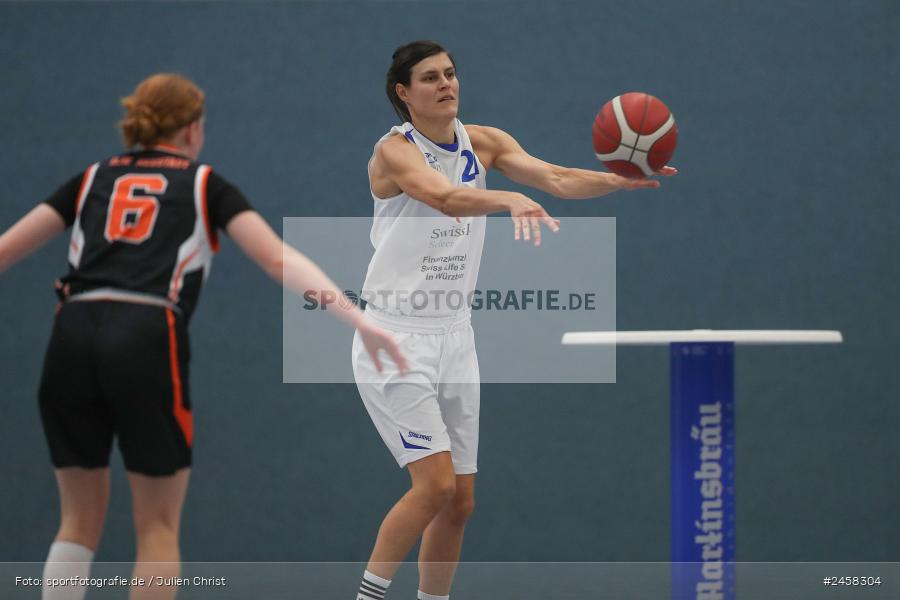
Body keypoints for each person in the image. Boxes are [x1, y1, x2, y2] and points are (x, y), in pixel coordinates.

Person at [0, 73, 406, 600]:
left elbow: (6, 249)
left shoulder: (93, 177)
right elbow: (276, 257)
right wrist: (359, 320)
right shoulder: (201, 182)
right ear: (192, 129)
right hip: (145, 332)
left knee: (76, 521)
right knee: (158, 527)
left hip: (72, 331)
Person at [351, 41, 676, 600]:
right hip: (394, 337)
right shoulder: (393, 151)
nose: (446, 84)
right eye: (430, 78)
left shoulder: (484, 141)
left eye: (451, 73)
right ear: (404, 93)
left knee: (460, 501)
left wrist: (616, 181)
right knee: (432, 486)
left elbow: (555, 177)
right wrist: (506, 201)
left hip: (455, 337)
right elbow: (443, 196)